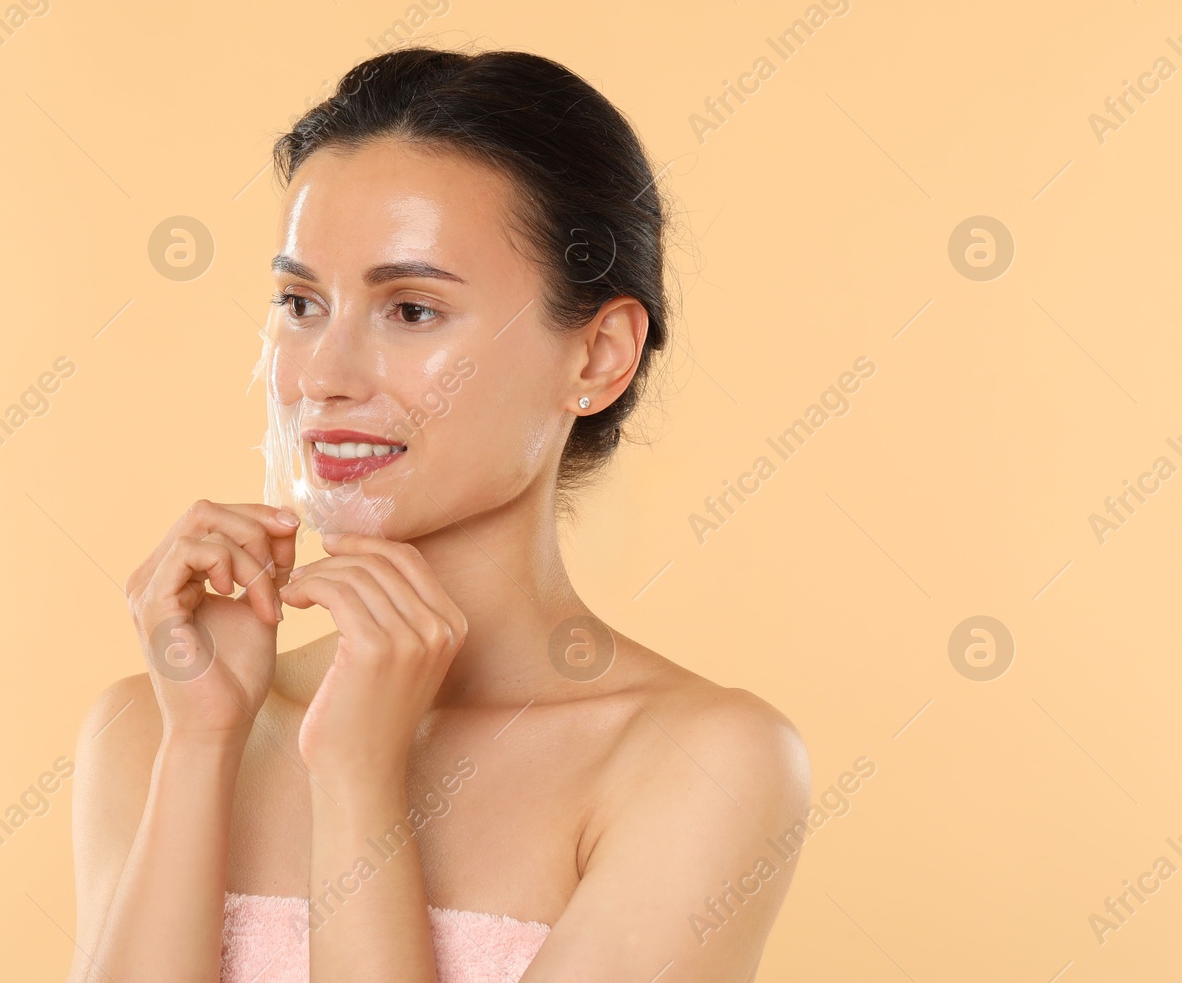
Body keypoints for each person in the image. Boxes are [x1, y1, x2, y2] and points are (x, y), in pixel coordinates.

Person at [65, 47, 811, 982]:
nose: (323, 378)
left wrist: (358, 781)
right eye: (300, 302)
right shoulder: (159, 721)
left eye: (411, 310)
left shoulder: (702, 764)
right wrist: (203, 745)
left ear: (598, 356)